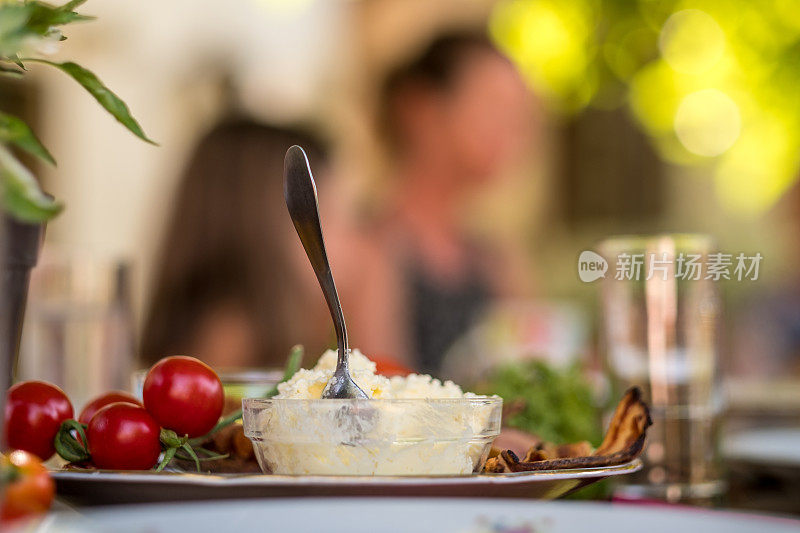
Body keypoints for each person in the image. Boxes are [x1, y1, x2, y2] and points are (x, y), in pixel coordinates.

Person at [333, 30, 535, 375]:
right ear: (420, 109)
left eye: (519, 115)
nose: (513, 132)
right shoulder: (367, 254)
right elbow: (380, 402)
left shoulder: (497, 260)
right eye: (493, 107)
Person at [140, 119, 331, 368]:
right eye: (331, 215)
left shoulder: (295, 327)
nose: (357, 241)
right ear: (266, 226)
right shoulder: (227, 339)